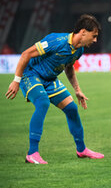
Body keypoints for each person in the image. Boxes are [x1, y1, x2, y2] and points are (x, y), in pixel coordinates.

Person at [5, 14, 104, 164]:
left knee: (71, 108)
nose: (95, 40)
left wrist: (77, 89)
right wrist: (16, 80)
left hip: (49, 79)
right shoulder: (55, 41)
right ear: (83, 32)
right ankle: (32, 153)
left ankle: (82, 150)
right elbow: (26, 54)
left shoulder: (79, 50)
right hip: (31, 75)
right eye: (94, 35)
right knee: (43, 102)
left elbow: (69, 68)